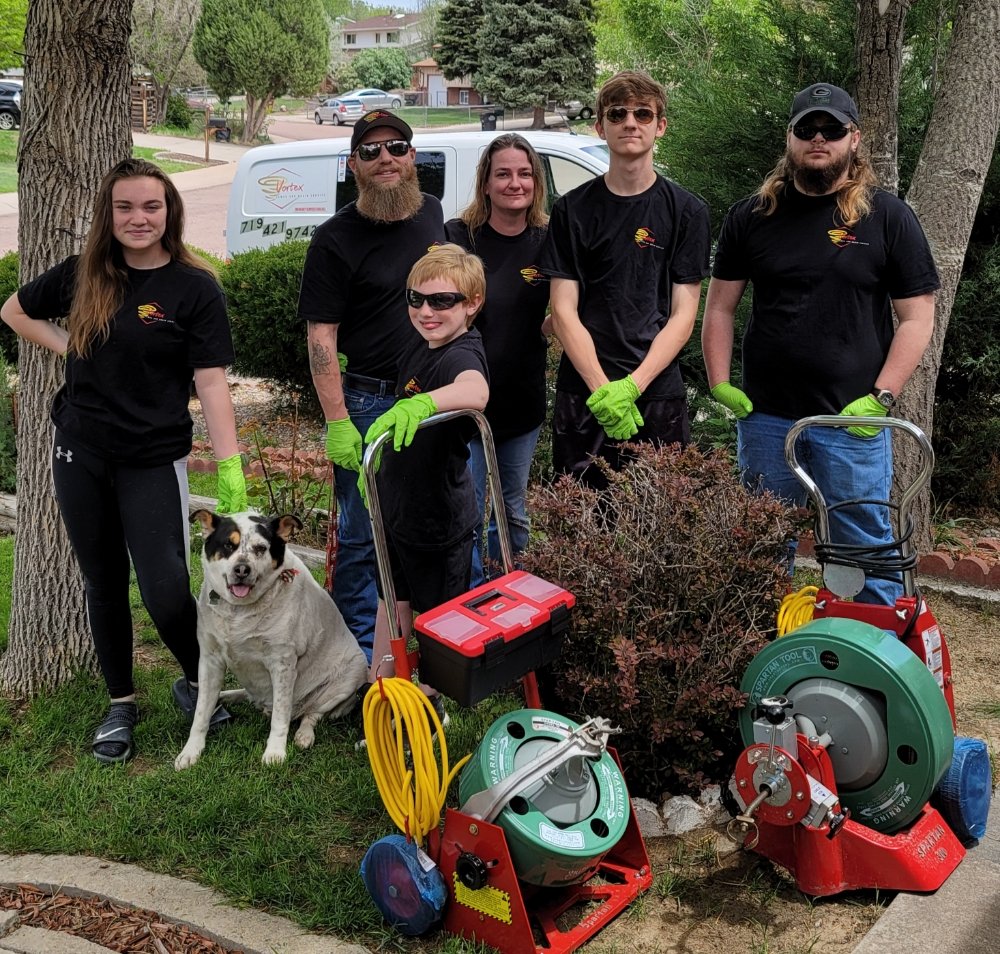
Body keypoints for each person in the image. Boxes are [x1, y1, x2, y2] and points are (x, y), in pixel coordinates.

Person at [0, 158, 247, 764]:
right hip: (78, 449)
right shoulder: (86, 275)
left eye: (151, 207)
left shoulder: (195, 286)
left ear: (170, 213)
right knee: (102, 581)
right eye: (125, 207)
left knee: (165, 591)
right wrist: (72, 347)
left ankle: (201, 686)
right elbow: (14, 310)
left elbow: (212, 384)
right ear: (107, 216)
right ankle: (121, 704)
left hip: (152, 458)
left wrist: (231, 465)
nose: (139, 219)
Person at [702, 82, 938, 605]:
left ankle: (875, 657)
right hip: (766, 420)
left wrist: (882, 397)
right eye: (806, 128)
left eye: (831, 129)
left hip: (850, 421)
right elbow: (719, 306)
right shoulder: (751, 216)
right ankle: (759, 651)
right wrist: (720, 382)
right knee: (760, 547)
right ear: (789, 138)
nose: (818, 138)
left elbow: (918, 316)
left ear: (854, 139)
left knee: (864, 549)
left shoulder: (888, 217)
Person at [298, 109, 444, 663]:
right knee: (361, 537)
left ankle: (429, 648)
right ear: (353, 165)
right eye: (371, 151)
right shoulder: (335, 239)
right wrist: (338, 421)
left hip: (429, 402)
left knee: (429, 527)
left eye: (396, 147)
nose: (385, 158)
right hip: (366, 401)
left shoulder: (433, 216)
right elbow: (321, 337)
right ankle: (354, 659)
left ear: (412, 157)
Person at [539, 70, 711, 487]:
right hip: (584, 395)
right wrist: (602, 390)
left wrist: (633, 386)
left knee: (660, 524)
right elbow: (563, 311)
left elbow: (684, 316)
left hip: (656, 395)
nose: (630, 122)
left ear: (660, 126)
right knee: (582, 525)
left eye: (642, 113)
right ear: (600, 126)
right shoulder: (571, 211)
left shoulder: (687, 211)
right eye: (617, 114)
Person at [362, 244, 489, 697]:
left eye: (442, 301)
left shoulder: (461, 353)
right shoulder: (421, 343)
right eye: (416, 299)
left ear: (472, 303)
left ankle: (433, 704)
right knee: (389, 601)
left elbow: (475, 392)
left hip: (438, 522)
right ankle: (382, 692)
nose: (426, 311)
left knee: (438, 622)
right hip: (398, 512)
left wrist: (425, 402)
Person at [444, 133, 550, 579]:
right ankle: (464, 604)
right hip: (461, 401)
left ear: (536, 182)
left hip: (520, 402)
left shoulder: (550, 239)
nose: (515, 183)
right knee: (462, 514)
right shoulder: (456, 236)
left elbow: (564, 308)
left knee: (512, 513)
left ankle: (509, 601)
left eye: (524, 174)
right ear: (485, 183)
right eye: (503, 174)